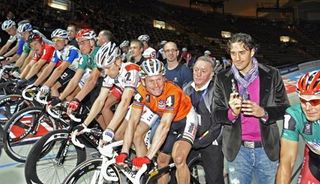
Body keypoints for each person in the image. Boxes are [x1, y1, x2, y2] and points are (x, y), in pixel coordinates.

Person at [212, 33, 290, 184]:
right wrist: (231, 113)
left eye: (242, 52)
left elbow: (285, 108)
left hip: (266, 150)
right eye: (233, 53)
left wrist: (263, 112)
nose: (237, 58)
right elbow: (216, 114)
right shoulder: (222, 78)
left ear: (252, 51)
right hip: (237, 151)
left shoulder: (272, 74)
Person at [115, 59, 198, 184]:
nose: (156, 85)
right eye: (151, 81)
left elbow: (164, 125)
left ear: (164, 78)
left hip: (186, 120)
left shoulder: (172, 92)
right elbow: (132, 122)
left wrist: (147, 157)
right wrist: (124, 152)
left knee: (179, 158)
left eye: (159, 79)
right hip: (170, 122)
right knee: (161, 162)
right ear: (143, 81)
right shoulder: (141, 92)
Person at [74, 42, 139, 134]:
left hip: (145, 98)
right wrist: (84, 124)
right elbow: (100, 100)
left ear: (118, 61)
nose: (106, 72)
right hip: (127, 91)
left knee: (123, 135)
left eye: (108, 67)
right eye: (103, 69)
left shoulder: (131, 69)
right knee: (105, 106)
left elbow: (125, 102)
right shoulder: (111, 73)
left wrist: (110, 129)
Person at [184, 56, 224, 183]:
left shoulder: (217, 92)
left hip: (212, 142)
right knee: (179, 172)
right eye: (196, 70)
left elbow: (216, 127)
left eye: (203, 71)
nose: (198, 74)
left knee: (214, 179)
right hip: (190, 138)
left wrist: (197, 142)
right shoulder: (186, 89)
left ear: (211, 74)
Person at [277, 71, 320, 184]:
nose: (308, 107)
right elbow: (287, 161)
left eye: (314, 101)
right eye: (303, 100)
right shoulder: (294, 115)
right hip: (315, 162)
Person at [30, 28, 81, 97]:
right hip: (71, 70)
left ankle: (56, 105)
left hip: (81, 72)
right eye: (54, 40)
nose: (55, 43)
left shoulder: (72, 50)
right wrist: (35, 84)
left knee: (55, 89)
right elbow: (49, 68)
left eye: (58, 40)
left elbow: (60, 69)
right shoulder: (57, 51)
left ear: (66, 41)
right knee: (52, 86)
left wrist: (46, 85)